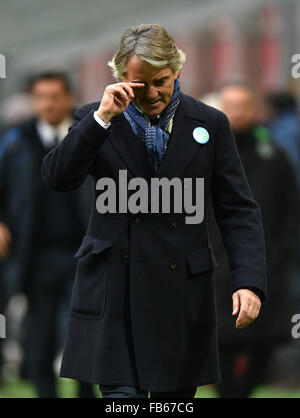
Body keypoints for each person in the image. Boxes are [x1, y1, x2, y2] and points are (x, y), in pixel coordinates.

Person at [42, 24, 267, 399]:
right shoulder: (94, 119)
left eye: (160, 80)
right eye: (139, 83)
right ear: (120, 78)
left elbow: (238, 209)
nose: (151, 93)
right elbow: (57, 177)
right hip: (114, 293)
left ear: (178, 70)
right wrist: (101, 120)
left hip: (180, 296)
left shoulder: (210, 124)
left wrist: (249, 281)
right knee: (122, 402)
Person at [0, 71, 94, 397]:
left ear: (69, 96)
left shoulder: (91, 134)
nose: (48, 103)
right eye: (41, 97)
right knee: (39, 335)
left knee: (82, 331)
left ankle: (85, 393)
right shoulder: (15, 142)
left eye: (55, 96)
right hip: (34, 255)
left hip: (84, 251)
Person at [209, 82, 299, 397]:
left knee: (264, 342)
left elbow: (291, 209)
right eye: (231, 105)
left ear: (255, 109)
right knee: (219, 341)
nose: (238, 111)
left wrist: (282, 254)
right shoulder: (204, 156)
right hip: (215, 270)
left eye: (244, 105)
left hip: (265, 268)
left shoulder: (274, 156)